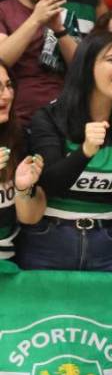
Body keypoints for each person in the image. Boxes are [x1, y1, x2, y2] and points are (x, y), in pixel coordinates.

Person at [19, 31, 112, 271]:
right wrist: (84, 152)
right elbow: (48, 184)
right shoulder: (50, 117)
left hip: (109, 241)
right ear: (87, 66)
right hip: (50, 239)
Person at [0, 0, 74, 128]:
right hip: (19, 119)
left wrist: (60, 30)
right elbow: (2, 59)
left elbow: (81, 66)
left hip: (61, 116)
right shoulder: (3, 11)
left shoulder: (63, 14)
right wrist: (36, 19)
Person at [0, 63, 46, 265]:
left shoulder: (19, 139)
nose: (7, 95)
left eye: (9, 85)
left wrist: (23, 190)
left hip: (10, 264)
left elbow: (30, 218)